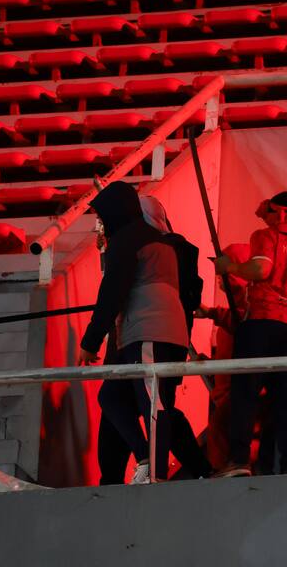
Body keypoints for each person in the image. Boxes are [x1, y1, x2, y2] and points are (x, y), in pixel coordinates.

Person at [80, 183, 210, 484]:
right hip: (153, 331)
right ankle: (146, 458)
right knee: (113, 396)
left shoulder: (127, 241)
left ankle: (155, 471)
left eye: (102, 215)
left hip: (149, 329)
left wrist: (90, 341)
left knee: (154, 402)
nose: (100, 223)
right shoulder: (156, 241)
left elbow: (112, 292)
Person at [214, 191, 287, 477]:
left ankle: (239, 461)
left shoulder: (263, 236)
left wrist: (229, 266)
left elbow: (260, 268)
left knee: (246, 395)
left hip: (260, 325)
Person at [195, 243, 250, 473]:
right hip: (226, 391)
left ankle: (222, 472)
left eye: (223, 274)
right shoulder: (234, 306)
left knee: (220, 429)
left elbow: (242, 323)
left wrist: (211, 313)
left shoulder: (249, 303)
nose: (218, 280)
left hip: (236, 391)